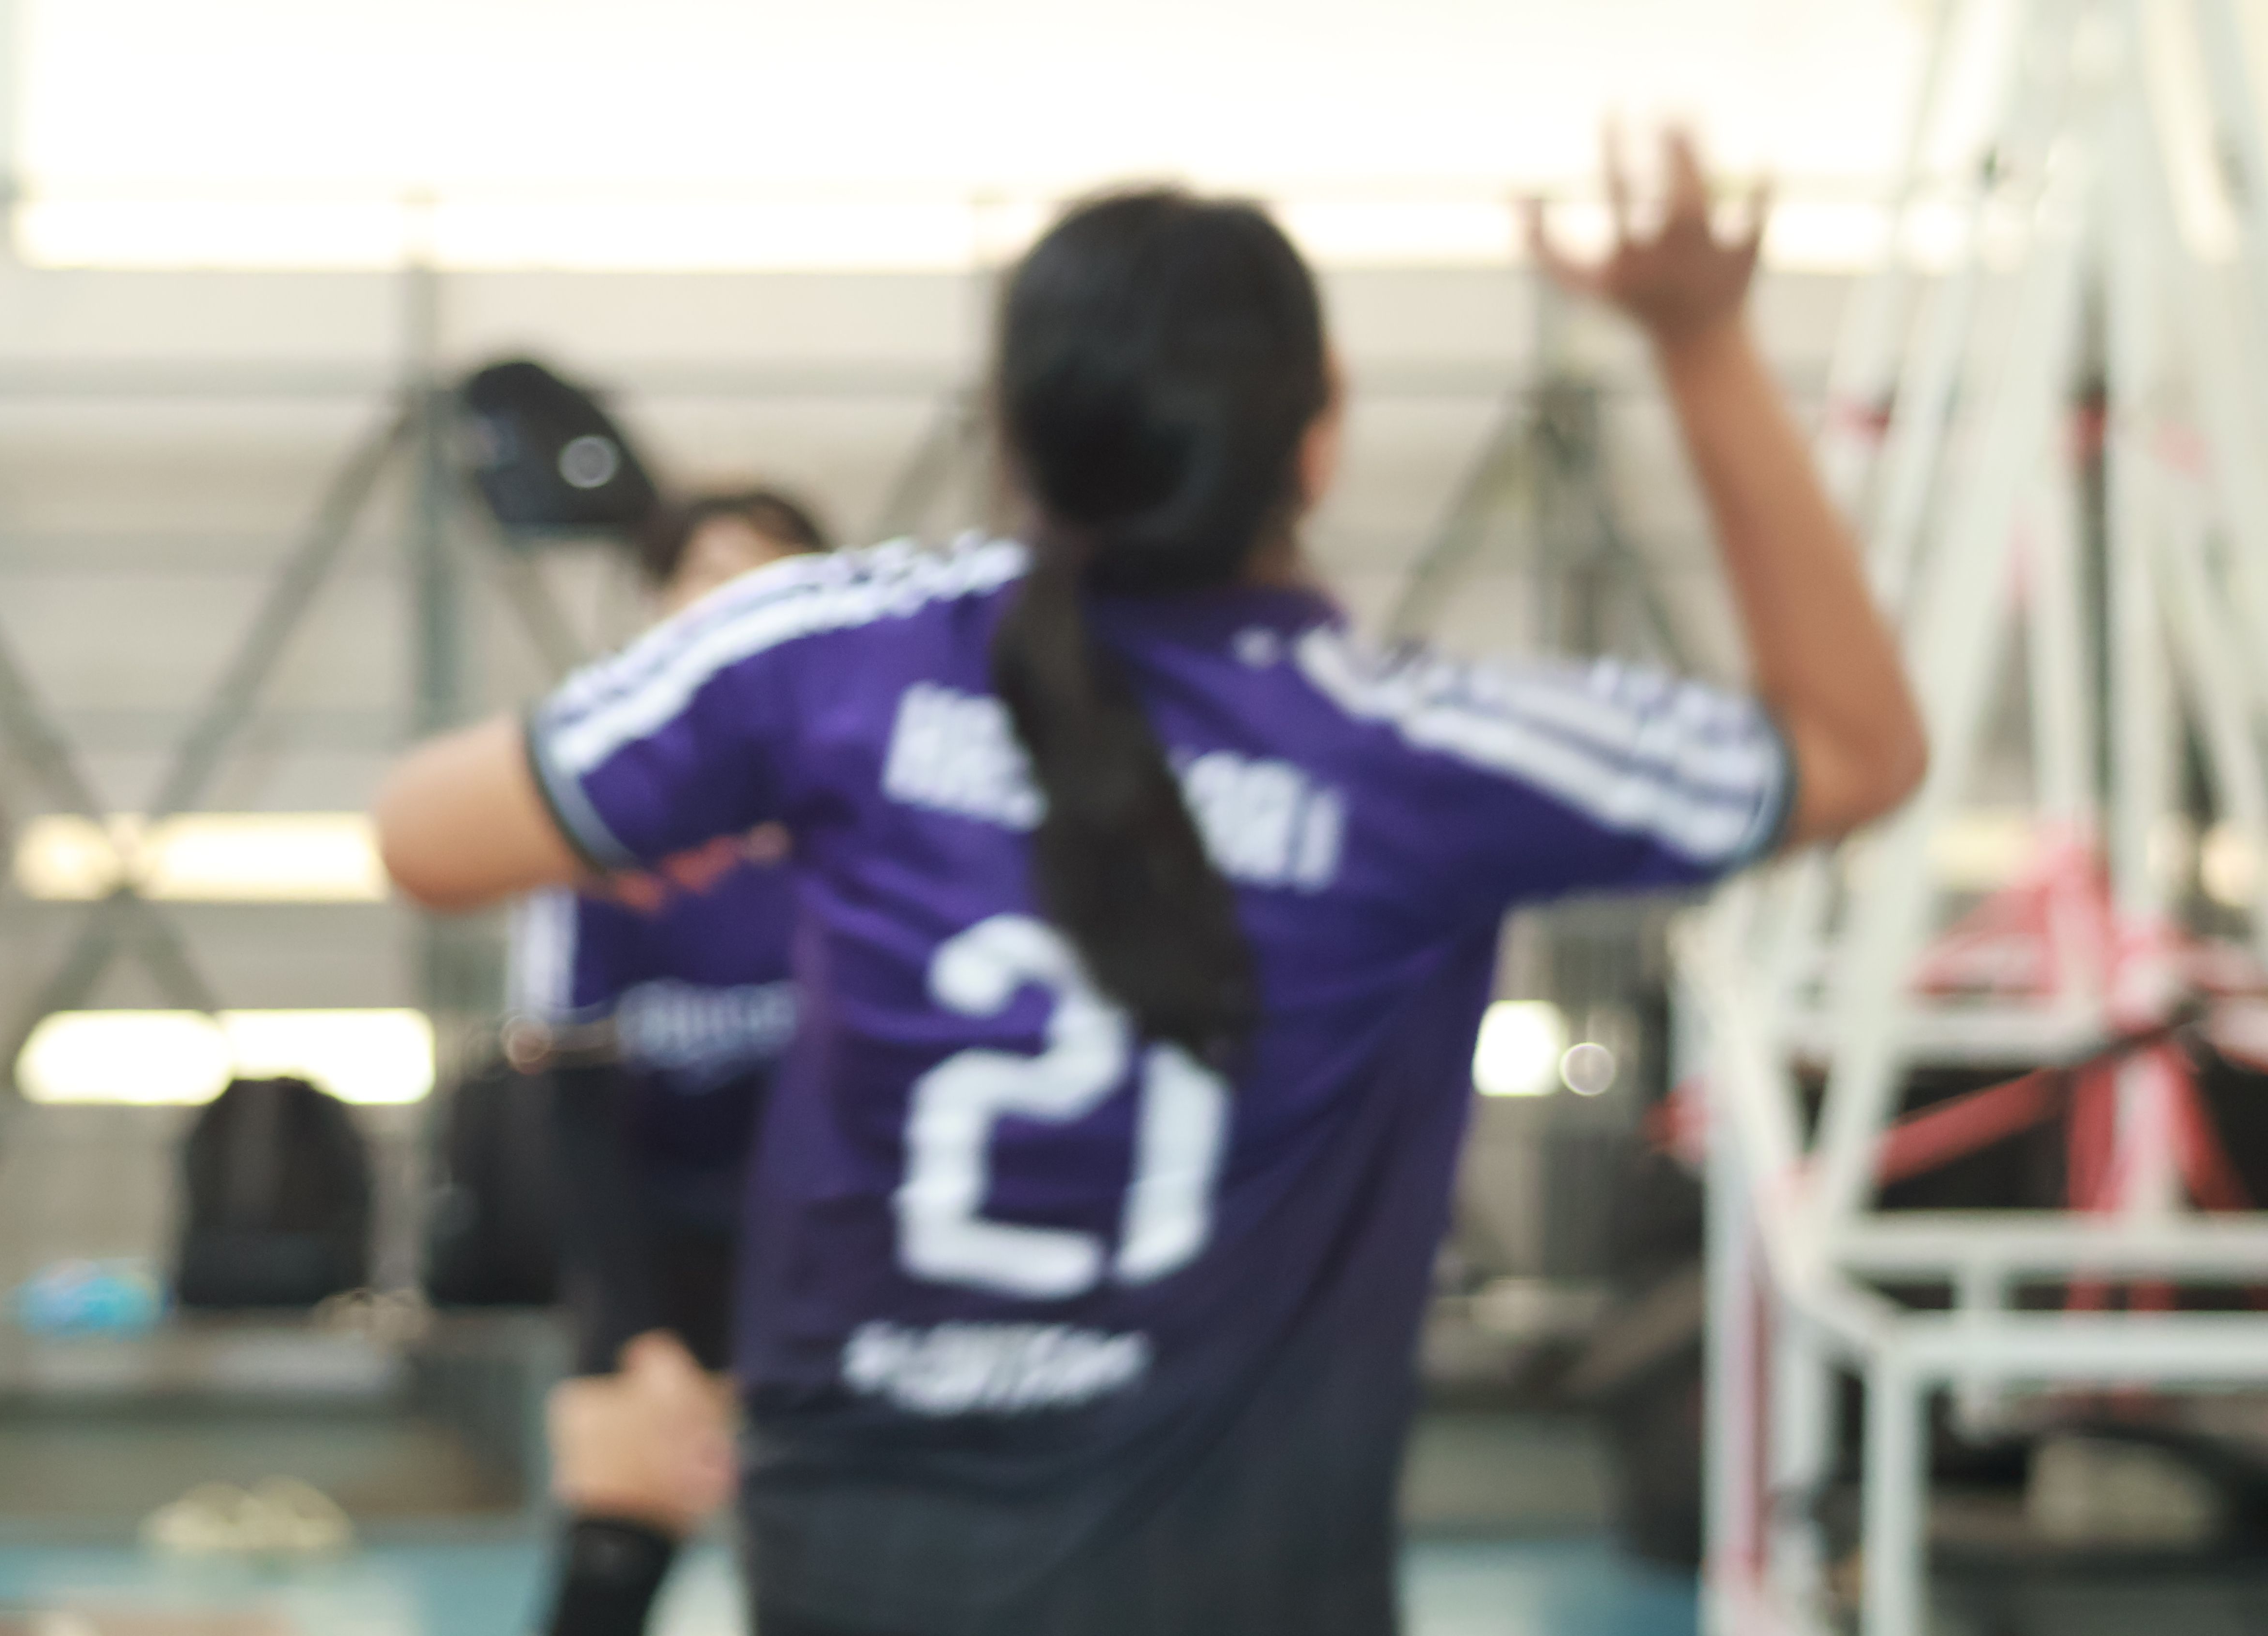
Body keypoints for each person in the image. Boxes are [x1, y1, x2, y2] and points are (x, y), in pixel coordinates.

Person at [376, 129, 1924, 1636]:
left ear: (1009, 433)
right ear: (1320, 435)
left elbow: (426, 837)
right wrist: (1699, 339)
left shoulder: (829, 662)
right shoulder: (1420, 757)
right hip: (1237, 1579)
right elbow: (1858, 751)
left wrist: (703, 813)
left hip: (859, 1563)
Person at [513, 489, 831, 1636]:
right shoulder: (604, 833)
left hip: (836, 1265)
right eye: (704, 575)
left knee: (845, 1576)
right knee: (609, 1567)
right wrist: (636, 1335)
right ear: (656, 608)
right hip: (661, 1255)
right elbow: (573, 1106)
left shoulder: (862, 822)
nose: (731, 604)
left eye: (768, 576)